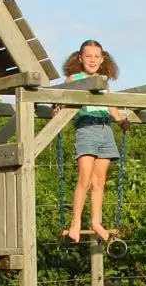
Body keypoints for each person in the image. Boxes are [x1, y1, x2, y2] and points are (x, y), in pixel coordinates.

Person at [56, 39, 130, 243]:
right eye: (88, 56)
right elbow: (61, 94)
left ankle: (96, 222)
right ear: (80, 58)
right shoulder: (75, 78)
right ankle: (75, 222)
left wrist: (119, 120)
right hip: (87, 127)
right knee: (85, 179)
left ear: (102, 59)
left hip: (105, 128)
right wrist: (57, 105)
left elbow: (110, 104)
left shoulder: (103, 81)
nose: (92, 60)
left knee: (100, 182)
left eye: (96, 56)